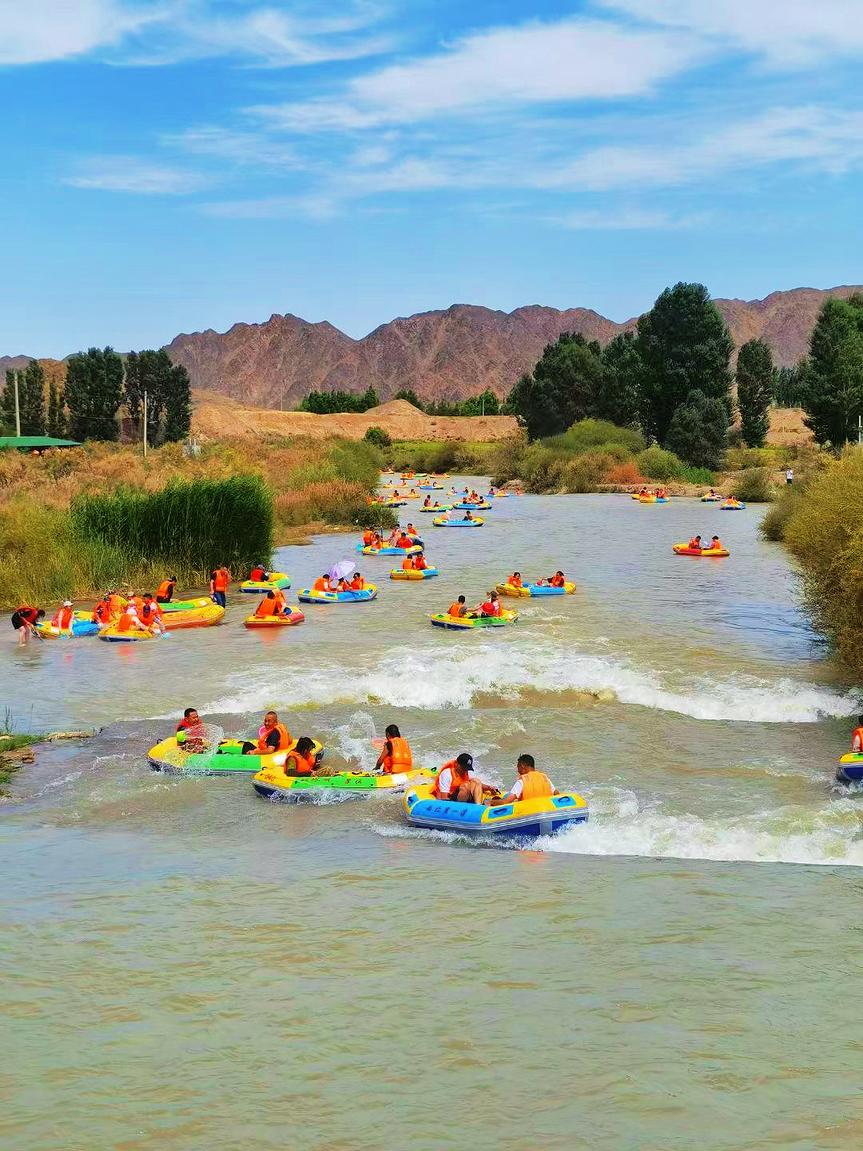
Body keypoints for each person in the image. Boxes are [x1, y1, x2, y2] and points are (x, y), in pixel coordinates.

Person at [492, 754, 557, 804]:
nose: (518, 770)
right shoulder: (545, 778)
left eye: (518, 767)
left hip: (528, 812)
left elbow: (506, 801)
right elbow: (556, 793)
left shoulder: (522, 781)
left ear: (522, 766)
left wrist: (490, 802)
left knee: (506, 797)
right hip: (547, 809)